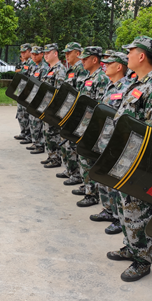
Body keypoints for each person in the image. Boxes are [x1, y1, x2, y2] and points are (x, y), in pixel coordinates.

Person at [106, 36, 152, 282]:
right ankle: (131, 246)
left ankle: (143, 259)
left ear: (142, 56)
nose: (127, 56)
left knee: (139, 210)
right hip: (125, 155)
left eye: (130, 52)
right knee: (126, 208)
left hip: (140, 161)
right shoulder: (137, 83)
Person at [88, 52, 131, 235]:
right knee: (104, 178)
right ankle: (108, 209)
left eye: (109, 63)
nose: (104, 65)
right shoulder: (111, 85)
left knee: (114, 182)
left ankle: (118, 218)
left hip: (114, 142)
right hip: (103, 139)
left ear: (119, 67)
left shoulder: (126, 88)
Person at [73, 46, 110, 207]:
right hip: (85, 123)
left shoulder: (101, 78)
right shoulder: (89, 76)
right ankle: (87, 186)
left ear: (95, 59)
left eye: (86, 58)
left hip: (93, 126)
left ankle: (92, 194)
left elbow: (100, 106)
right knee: (83, 158)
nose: (82, 61)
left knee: (89, 159)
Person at [57, 42, 88, 186]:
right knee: (66, 142)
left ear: (78, 53)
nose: (66, 55)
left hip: (75, 113)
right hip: (68, 111)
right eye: (65, 53)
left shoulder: (81, 69)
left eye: (69, 52)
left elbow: (79, 93)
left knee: (72, 145)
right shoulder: (71, 69)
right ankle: (70, 170)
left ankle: (76, 174)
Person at [40, 43, 67, 168]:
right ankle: (51, 156)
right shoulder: (50, 69)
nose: (45, 55)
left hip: (54, 108)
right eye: (44, 53)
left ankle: (56, 158)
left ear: (55, 53)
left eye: (48, 53)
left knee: (53, 133)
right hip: (47, 106)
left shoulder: (60, 69)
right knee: (47, 132)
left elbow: (59, 91)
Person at [26, 46, 49, 154]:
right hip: (32, 98)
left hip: (39, 99)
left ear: (41, 54)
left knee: (38, 123)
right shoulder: (34, 66)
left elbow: (43, 86)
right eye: (33, 54)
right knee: (33, 122)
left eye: (36, 54)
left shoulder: (44, 68)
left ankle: (40, 145)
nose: (34, 56)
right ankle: (35, 142)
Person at [14, 43, 35, 143]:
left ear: (30, 52)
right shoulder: (24, 63)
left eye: (24, 52)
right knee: (21, 114)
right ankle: (24, 132)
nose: (22, 54)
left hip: (28, 93)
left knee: (27, 114)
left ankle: (29, 135)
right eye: (21, 52)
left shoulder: (32, 63)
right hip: (21, 92)